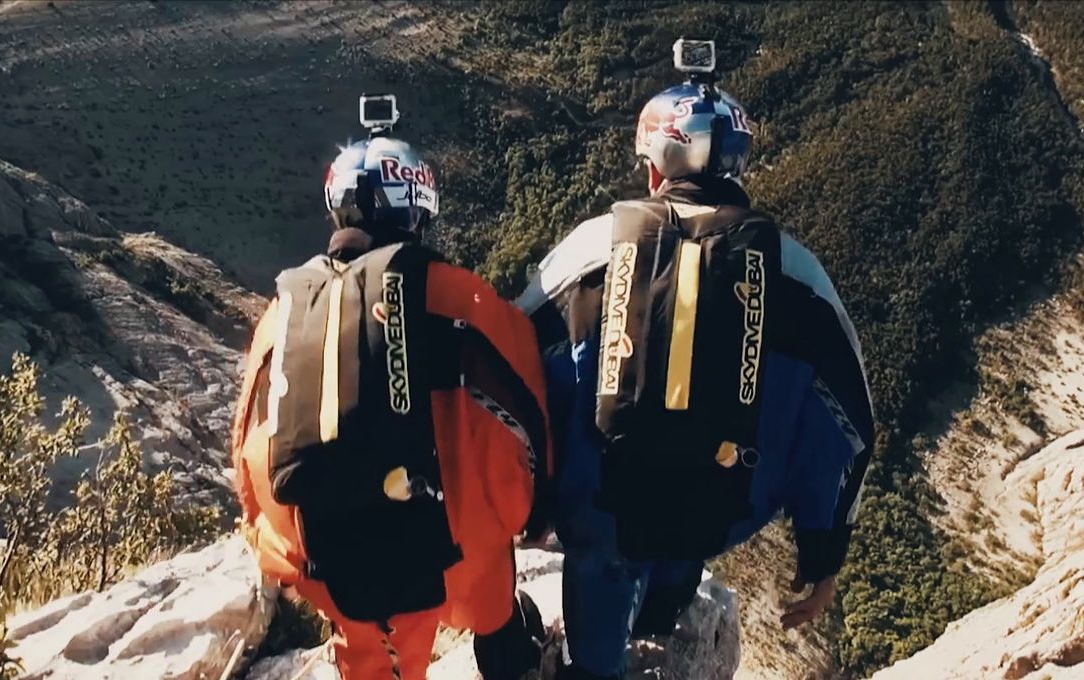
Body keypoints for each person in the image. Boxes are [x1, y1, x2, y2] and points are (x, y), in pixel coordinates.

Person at [516, 42, 875, 680]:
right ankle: (660, 615)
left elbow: (514, 368)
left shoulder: (592, 253)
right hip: (718, 506)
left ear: (654, 167)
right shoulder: (796, 275)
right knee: (685, 526)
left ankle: (596, 660)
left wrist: (529, 507)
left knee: (601, 583)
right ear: (739, 165)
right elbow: (846, 429)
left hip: (603, 511)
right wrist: (821, 558)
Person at [232, 99, 550, 680]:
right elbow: (526, 408)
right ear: (417, 214)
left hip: (321, 558)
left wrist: (274, 541)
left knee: (372, 650)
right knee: (488, 570)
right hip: (449, 560)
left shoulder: (283, 313)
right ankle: (503, 646)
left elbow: (246, 444)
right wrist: (528, 510)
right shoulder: (459, 297)